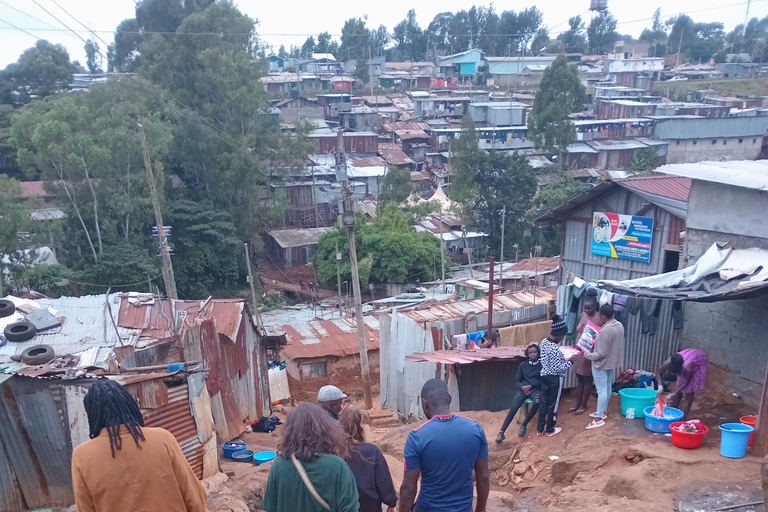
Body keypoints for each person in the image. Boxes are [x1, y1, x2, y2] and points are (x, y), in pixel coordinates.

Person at [71, 380, 207, 512]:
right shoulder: (162, 439)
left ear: (93, 414)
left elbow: (85, 507)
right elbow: (193, 497)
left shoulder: (82, 456)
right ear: (129, 405)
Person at [400, 378, 490, 512]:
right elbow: (483, 476)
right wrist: (480, 509)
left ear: (424, 403)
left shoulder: (417, 437)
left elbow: (408, 488)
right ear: (449, 399)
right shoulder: (475, 429)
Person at [263, 403, 359, 512]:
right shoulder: (337, 466)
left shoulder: (279, 466)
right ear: (325, 430)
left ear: (289, 432)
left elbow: (270, 508)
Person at [339, 407, 397, 512]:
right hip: (369, 507)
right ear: (361, 427)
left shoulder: (334, 452)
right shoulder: (371, 451)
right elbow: (384, 481)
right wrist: (391, 502)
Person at [584, 304, 625, 429]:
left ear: (603, 316)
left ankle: (598, 418)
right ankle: (602, 411)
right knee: (607, 387)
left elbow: (600, 353)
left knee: (601, 390)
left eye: (599, 315)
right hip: (612, 362)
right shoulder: (619, 325)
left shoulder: (604, 331)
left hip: (601, 364)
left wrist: (587, 354)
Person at [496, 343, 542, 442]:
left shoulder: (542, 365)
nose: (533, 354)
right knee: (514, 407)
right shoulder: (523, 365)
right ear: (527, 354)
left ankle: (524, 425)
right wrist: (523, 388)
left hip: (535, 389)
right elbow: (517, 381)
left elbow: (542, 380)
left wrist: (531, 386)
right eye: (530, 353)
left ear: (538, 353)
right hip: (523, 389)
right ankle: (501, 432)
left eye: (535, 352)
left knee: (537, 402)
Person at [537, 315, 571, 437]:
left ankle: (540, 429)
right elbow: (559, 368)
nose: (563, 338)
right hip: (554, 378)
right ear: (558, 334)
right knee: (553, 404)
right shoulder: (555, 349)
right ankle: (550, 429)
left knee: (544, 402)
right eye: (562, 336)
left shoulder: (544, 342)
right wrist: (571, 361)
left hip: (544, 376)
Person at [655, 348, 709, 419]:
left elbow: (687, 381)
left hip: (698, 358)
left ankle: (683, 418)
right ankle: (674, 411)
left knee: (689, 392)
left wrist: (675, 393)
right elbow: (659, 373)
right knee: (679, 389)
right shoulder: (669, 362)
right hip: (687, 355)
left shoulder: (688, 369)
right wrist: (660, 386)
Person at [569, 296, 600, 415]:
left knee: (587, 379)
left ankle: (583, 405)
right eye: (585, 308)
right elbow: (579, 330)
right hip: (579, 351)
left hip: (589, 353)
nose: (587, 310)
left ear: (595, 306)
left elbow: (601, 337)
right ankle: (577, 403)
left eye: (590, 308)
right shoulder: (582, 315)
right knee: (579, 378)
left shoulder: (599, 318)